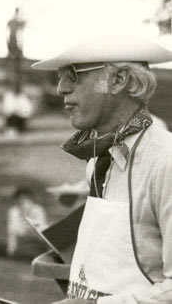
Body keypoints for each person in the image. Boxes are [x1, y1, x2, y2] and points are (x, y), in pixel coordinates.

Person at [32, 34, 172, 304]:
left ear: (119, 80)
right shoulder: (98, 159)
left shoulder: (165, 161)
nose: (61, 88)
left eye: (73, 75)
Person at [6, 7, 26, 90]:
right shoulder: (14, 22)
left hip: (15, 45)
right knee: (14, 66)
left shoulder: (16, 22)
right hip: (14, 44)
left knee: (16, 67)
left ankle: (16, 86)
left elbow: (20, 33)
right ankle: (14, 86)